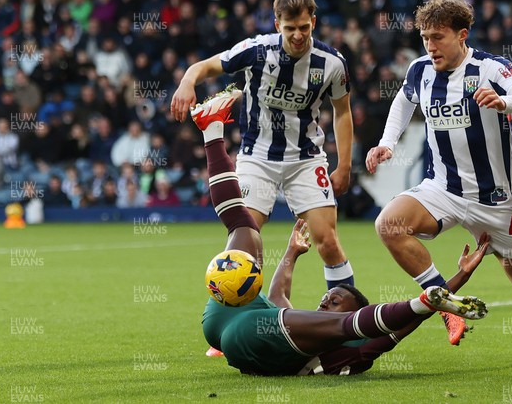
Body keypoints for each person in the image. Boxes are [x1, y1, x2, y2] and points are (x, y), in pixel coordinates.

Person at [190, 96, 488, 375]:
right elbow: (278, 296)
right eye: (329, 297)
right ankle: (211, 128)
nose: (324, 301)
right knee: (245, 230)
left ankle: (211, 132)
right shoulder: (291, 325)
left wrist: (434, 299)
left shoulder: (357, 350)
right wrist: (291, 254)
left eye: (334, 301)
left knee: (344, 325)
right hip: (226, 315)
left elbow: (403, 322)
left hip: (246, 338)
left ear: (363, 317)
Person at [365, 0, 512, 367]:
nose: (430, 46)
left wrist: (504, 103)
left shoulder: (490, 68)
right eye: (425, 38)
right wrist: (386, 143)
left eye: (438, 37)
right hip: (443, 189)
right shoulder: (420, 70)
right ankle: (444, 302)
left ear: (462, 34)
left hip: (496, 200)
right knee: (388, 224)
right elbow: (404, 102)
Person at [171, 0, 356, 290]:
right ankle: (232, 326)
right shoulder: (256, 50)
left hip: (306, 158)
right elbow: (203, 67)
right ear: (276, 24)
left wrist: (344, 165)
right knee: (245, 241)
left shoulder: (332, 63)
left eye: (304, 28)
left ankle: (344, 319)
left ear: (314, 22)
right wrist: (186, 83)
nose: (297, 35)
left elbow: (343, 112)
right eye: (289, 28)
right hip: (257, 156)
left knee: (328, 241)